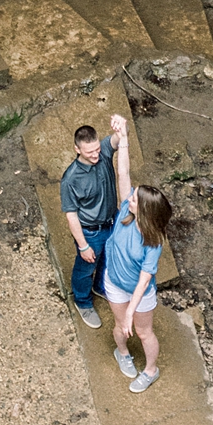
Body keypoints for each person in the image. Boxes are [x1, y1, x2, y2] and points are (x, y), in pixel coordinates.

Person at [106, 117, 171, 394]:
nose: (130, 196)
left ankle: (150, 370)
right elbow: (123, 174)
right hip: (115, 284)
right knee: (120, 327)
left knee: (143, 332)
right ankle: (122, 353)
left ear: (144, 210)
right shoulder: (125, 211)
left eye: (134, 198)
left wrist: (133, 310)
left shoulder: (152, 243)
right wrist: (124, 138)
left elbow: (144, 281)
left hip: (138, 294)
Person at [60, 111, 124, 328]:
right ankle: (83, 301)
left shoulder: (103, 151)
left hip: (111, 222)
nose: (96, 155)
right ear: (77, 149)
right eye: (90, 152)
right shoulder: (71, 179)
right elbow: (71, 215)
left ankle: (100, 287)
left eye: (97, 149)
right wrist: (83, 245)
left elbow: (116, 141)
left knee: (107, 260)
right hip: (91, 231)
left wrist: (120, 128)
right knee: (85, 267)